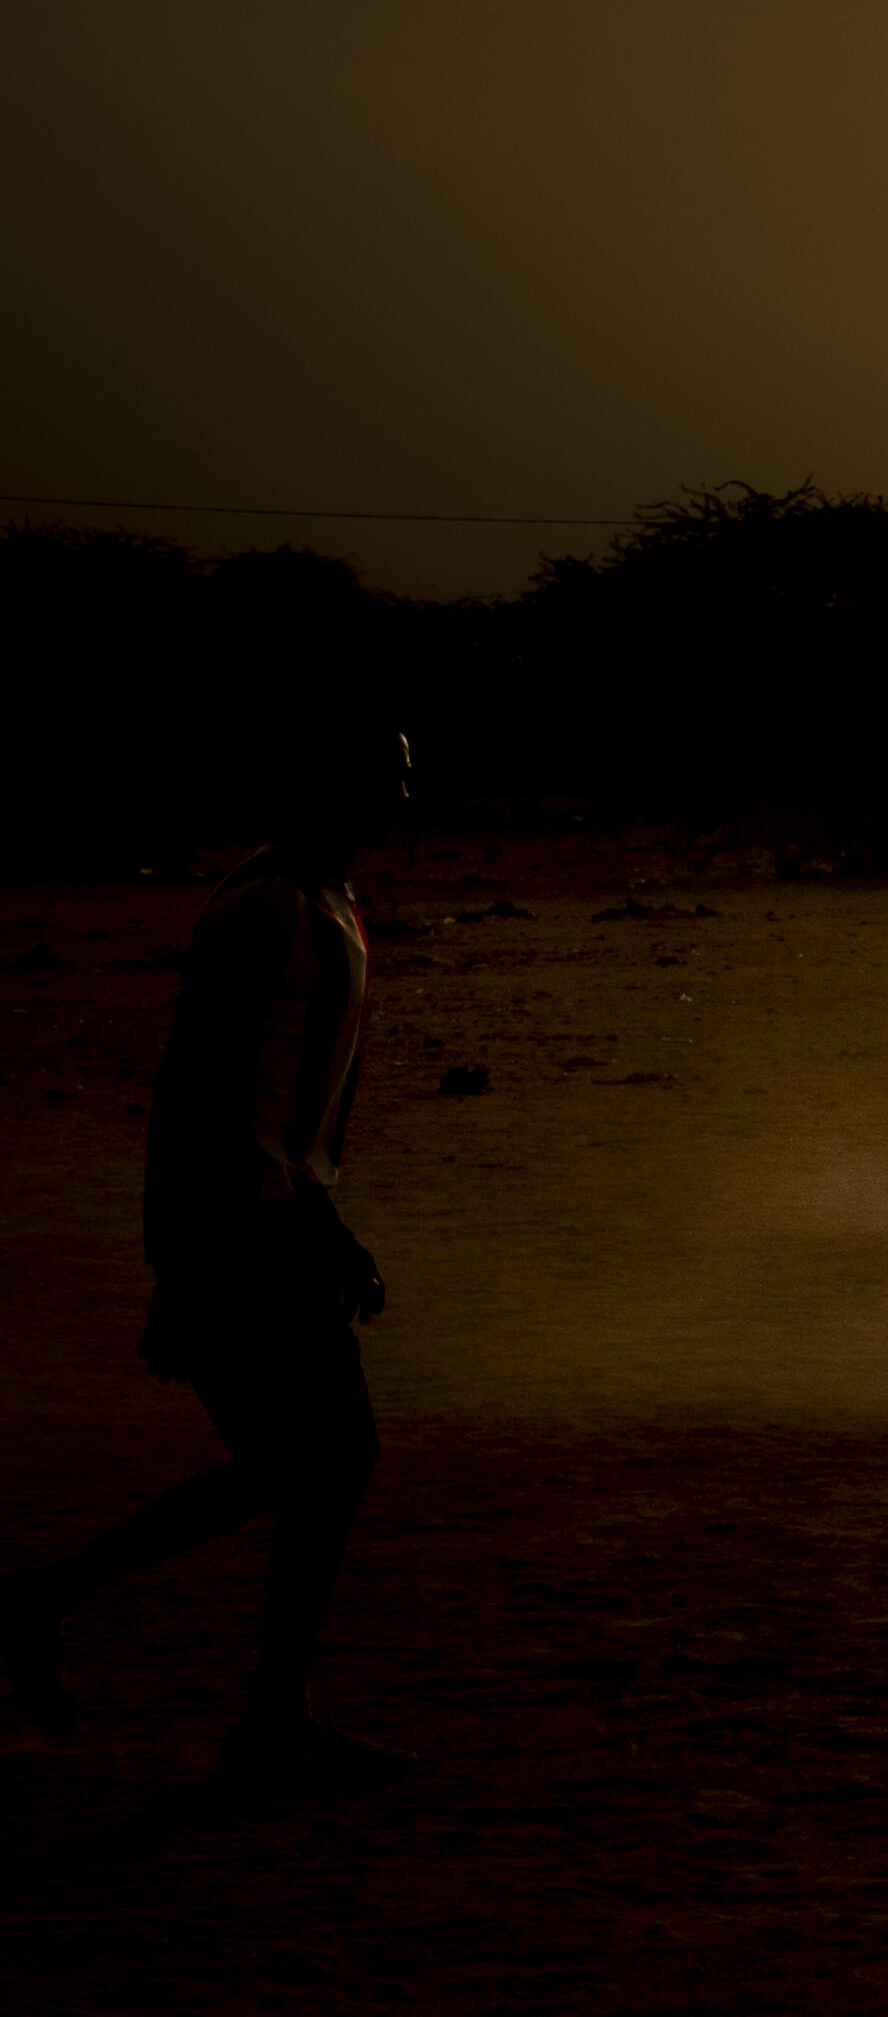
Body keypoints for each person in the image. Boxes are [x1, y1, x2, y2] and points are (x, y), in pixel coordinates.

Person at [4, 723, 412, 1806]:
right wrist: (179, 1265)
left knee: (302, 1464)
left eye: (406, 781)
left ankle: (56, 1606)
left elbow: (278, 1103)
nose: (402, 799)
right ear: (325, 788)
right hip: (242, 1225)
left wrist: (330, 1222)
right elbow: (197, 1091)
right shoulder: (271, 906)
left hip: (276, 1216)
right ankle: (262, 1714)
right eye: (384, 779)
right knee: (326, 1458)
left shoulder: (319, 897)